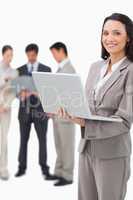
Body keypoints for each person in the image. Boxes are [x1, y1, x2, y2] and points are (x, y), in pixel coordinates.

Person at [57, 13, 133, 199]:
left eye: (116, 33)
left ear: (129, 37)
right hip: (86, 149)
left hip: (112, 153)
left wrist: (85, 123)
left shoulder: (131, 70)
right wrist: (70, 110)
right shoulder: (95, 67)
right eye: (105, 33)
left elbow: (124, 121)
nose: (109, 38)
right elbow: (87, 108)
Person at [15, 44, 54, 180]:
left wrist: (40, 94)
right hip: (24, 112)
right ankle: (21, 167)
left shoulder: (46, 69)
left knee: (43, 140)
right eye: (28, 55)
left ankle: (45, 169)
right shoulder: (19, 70)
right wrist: (21, 94)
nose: (30, 58)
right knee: (23, 141)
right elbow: (15, 91)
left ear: (36, 54)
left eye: (33, 55)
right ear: (26, 54)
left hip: (41, 111)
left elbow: (50, 92)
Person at [49, 42, 76, 186]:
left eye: (54, 53)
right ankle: (59, 171)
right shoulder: (60, 69)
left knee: (67, 146)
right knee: (59, 145)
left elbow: (71, 94)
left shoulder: (69, 69)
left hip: (66, 116)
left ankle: (68, 175)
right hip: (57, 115)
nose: (53, 56)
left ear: (61, 51)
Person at [0, 45, 18, 180]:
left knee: (3, 138)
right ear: (2, 55)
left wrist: (5, 105)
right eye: (7, 55)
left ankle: (3, 168)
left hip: (5, 110)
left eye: (11, 55)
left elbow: (13, 93)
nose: (10, 58)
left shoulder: (14, 73)